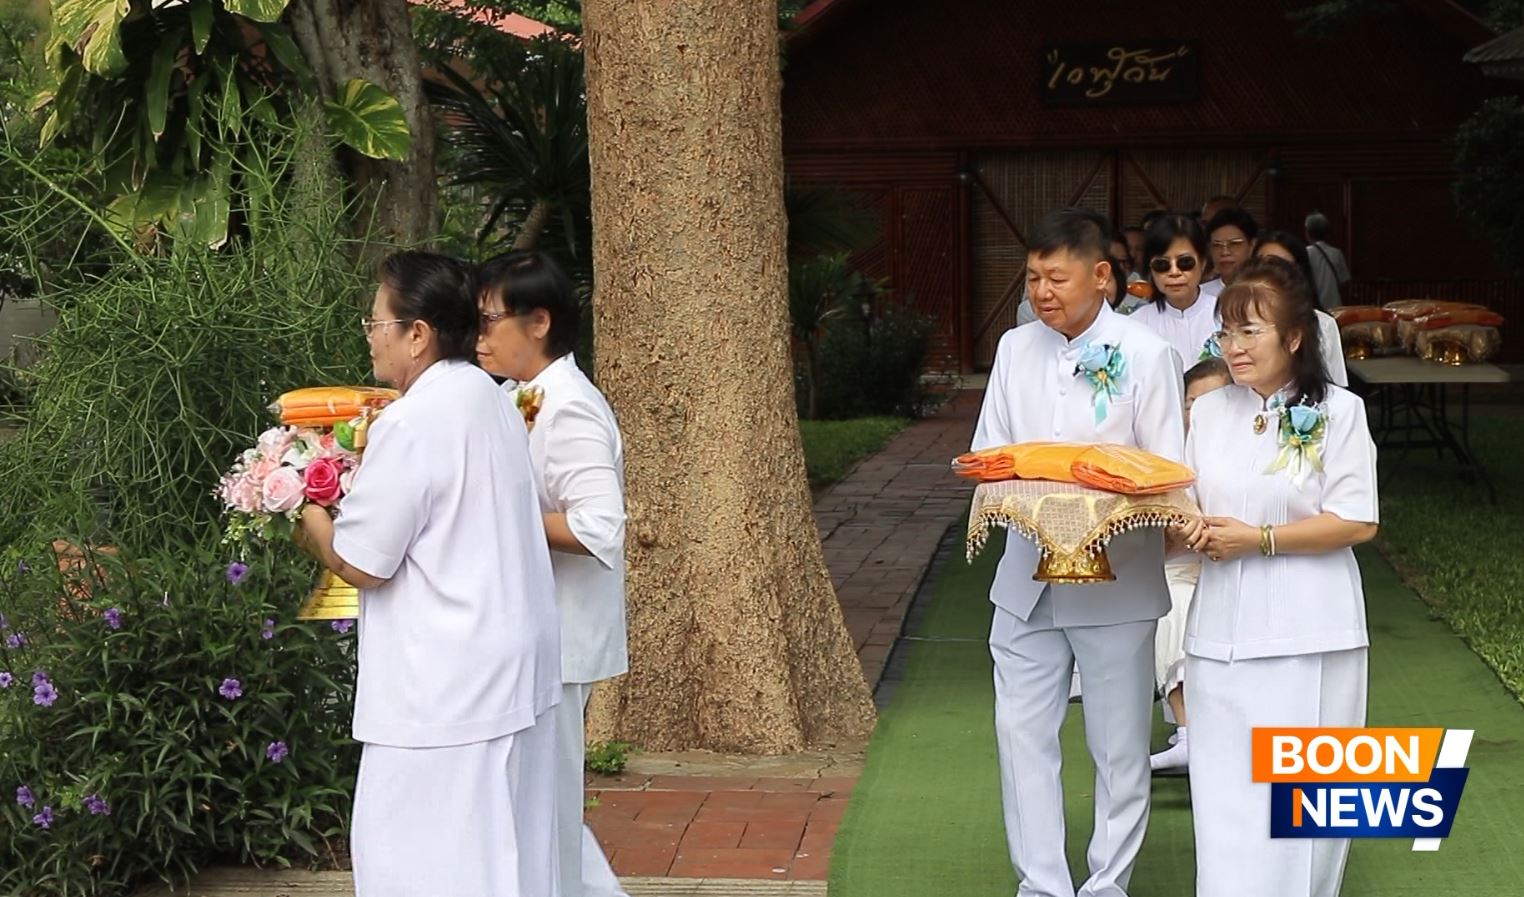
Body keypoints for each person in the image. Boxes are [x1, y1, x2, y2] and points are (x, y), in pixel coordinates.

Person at [297, 251, 562, 897]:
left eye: (376, 320)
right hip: (508, 658)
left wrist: (305, 512)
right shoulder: (491, 397)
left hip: (441, 683)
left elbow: (363, 563)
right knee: (506, 849)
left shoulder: (413, 421)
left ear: (417, 333)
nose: (370, 334)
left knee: (417, 857)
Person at [973, 208, 1185, 897]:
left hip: (1117, 581)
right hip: (1025, 578)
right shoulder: (1013, 348)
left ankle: (1106, 884)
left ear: (1101, 276)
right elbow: (989, 452)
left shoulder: (1148, 352)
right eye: (1032, 277)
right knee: (1019, 734)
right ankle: (1041, 883)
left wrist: (1099, 499)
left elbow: (1169, 469)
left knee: (1118, 746)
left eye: (1055, 277)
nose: (1040, 291)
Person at [1173, 257, 1379, 897]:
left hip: (1308, 631)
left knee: (1304, 798)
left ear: (1293, 338)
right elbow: (1184, 497)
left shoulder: (1339, 412)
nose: (1233, 349)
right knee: (1225, 793)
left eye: (1249, 333)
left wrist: (1259, 539)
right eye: (1225, 334)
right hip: (1219, 632)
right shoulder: (1208, 414)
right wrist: (1192, 527)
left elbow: (1357, 521)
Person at [474, 250, 631, 897]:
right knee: (538, 803)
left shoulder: (570, 406)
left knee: (552, 810)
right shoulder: (520, 396)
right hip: (530, 634)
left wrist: (499, 514)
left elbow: (600, 527)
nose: (477, 336)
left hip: (560, 638)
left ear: (538, 322)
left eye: (489, 321)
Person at [1148, 357, 1231, 774]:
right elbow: (1151, 546)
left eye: (1212, 401)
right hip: (1180, 568)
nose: (1199, 414)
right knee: (1173, 602)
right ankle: (1189, 735)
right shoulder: (1164, 460)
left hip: (1236, 565)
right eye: (1190, 403)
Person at [1252, 231, 1349, 387]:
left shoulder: (1323, 324)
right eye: (1266, 264)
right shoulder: (1230, 321)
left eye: (1283, 265)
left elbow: (1335, 387)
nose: (1272, 273)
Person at [1129, 214, 1220, 367]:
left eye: (1185, 262)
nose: (1174, 272)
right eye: (1162, 265)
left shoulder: (1226, 315)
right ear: (1150, 268)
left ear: (1203, 262)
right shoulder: (1136, 325)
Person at [1303, 212, 1352, 308]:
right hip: (1335, 306)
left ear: (1307, 232)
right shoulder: (1337, 253)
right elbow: (1345, 282)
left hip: (1313, 307)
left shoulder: (1304, 253)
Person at [1204, 207, 1258, 289]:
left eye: (1234, 244)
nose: (1225, 252)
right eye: (1217, 245)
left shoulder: (1267, 292)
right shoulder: (1198, 294)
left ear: (1251, 245)